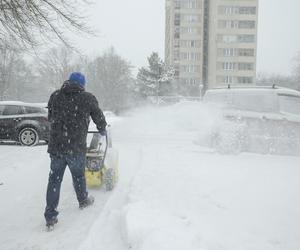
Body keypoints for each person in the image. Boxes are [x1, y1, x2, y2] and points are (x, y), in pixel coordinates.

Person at [44, 72, 107, 228]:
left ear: (68, 81)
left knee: (54, 181)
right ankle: (83, 200)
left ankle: (50, 215)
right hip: (75, 147)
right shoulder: (87, 97)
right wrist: (102, 128)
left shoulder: (55, 95)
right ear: (82, 84)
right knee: (78, 176)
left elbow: (50, 117)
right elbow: (98, 116)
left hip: (57, 147)